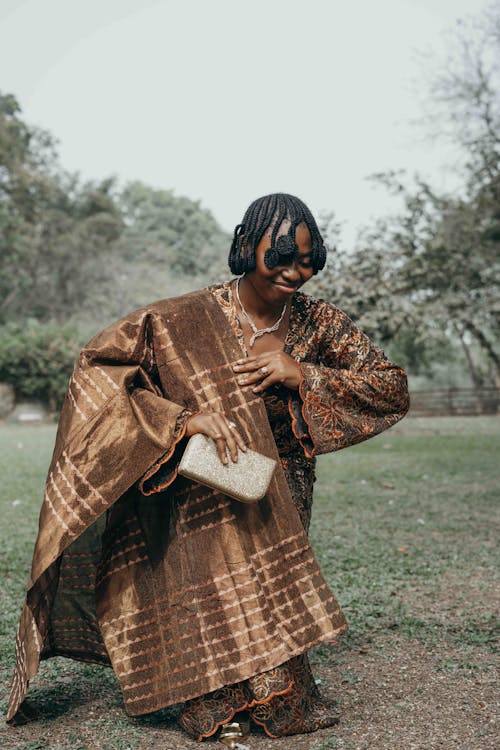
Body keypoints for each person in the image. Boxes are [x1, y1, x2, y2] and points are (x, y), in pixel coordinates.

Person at [7, 193, 409, 746]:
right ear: (246, 248)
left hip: (279, 481)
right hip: (200, 482)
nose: (296, 271)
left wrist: (303, 375)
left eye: (308, 258)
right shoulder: (184, 319)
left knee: (269, 591)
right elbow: (101, 372)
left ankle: (272, 693)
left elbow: (390, 387)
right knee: (211, 591)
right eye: (282, 256)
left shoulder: (319, 323)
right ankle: (214, 697)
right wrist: (183, 420)